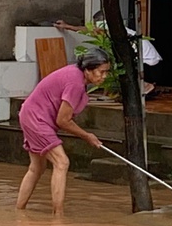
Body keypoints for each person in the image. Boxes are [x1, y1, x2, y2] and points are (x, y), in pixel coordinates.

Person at [15, 48, 111, 215]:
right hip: (37, 119)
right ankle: (58, 217)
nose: (104, 76)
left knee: (36, 167)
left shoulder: (76, 76)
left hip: (29, 114)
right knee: (62, 162)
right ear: (88, 69)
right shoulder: (75, 82)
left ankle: (19, 211)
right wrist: (87, 136)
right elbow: (63, 120)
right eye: (101, 72)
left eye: (106, 72)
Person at [54, 11, 163, 95]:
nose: (95, 30)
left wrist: (68, 26)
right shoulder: (122, 31)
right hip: (155, 67)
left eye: (96, 26)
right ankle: (144, 86)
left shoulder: (109, 27)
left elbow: (90, 31)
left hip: (147, 67)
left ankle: (146, 85)